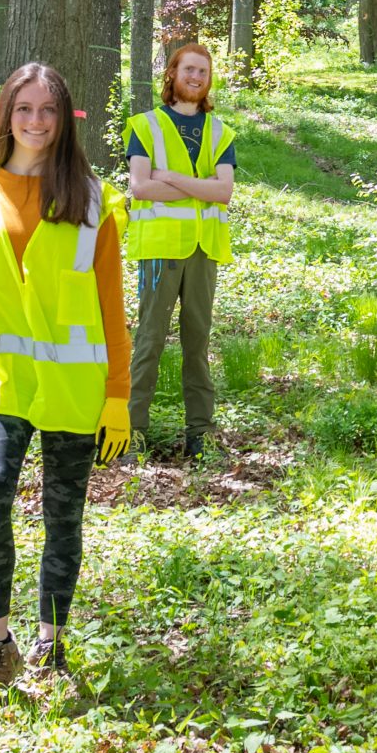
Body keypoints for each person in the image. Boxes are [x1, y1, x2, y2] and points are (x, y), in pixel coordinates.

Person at [0, 63, 133, 711]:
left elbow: (111, 304)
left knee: (63, 514)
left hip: (74, 383)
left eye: (48, 109)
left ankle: (50, 649)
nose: (35, 120)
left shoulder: (93, 199)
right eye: (23, 108)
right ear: (6, 115)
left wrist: (118, 394)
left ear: (63, 119)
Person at [123, 41, 237, 463]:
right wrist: (199, 187)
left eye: (203, 72)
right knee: (149, 340)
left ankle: (200, 434)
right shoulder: (146, 125)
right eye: (189, 69)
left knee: (197, 341)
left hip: (204, 249)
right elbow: (140, 187)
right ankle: (132, 433)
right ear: (172, 72)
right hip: (159, 249)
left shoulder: (220, 132)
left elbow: (223, 192)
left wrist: (169, 177)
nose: (196, 77)